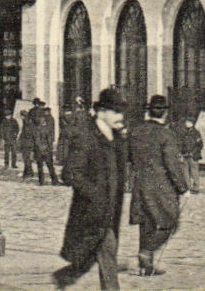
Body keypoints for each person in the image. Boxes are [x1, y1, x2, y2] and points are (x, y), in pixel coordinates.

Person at [53, 87, 130, 291]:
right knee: (106, 256)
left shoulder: (116, 139)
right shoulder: (87, 137)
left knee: (93, 257)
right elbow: (69, 173)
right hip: (91, 213)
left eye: (121, 111)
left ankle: (64, 277)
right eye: (115, 111)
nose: (119, 116)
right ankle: (66, 277)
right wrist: (94, 193)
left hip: (109, 212)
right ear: (101, 112)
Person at [128, 95, 189, 277]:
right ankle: (146, 252)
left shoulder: (136, 132)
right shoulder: (166, 134)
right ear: (165, 112)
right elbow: (172, 164)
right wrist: (183, 188)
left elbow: (128, 157)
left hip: (140, 184)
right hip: (161, 187)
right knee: (170, 222)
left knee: (146, 223)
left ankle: (146, 267)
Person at [27, 98, 60, 186]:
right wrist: (50, 148)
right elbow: (49, 140)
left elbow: (33, 141)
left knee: (40, 166)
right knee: (50, 166)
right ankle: (54, 180)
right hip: (46, 149)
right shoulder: (47, 129)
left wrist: (33, 150)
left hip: (38, 150)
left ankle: (41, 181)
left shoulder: (35, 130)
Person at [178, 118, 203, 193]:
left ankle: (196, 187)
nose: (186, 123)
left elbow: (200, 145)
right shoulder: (183, 132)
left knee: (194, 171)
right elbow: (180, 143)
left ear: (192, 123)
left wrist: (193, 153)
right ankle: (188, 187)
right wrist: (181, 152)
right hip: (185, 154)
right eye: (186, 122)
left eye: (188, 122)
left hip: (193, 155)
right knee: (185, 172)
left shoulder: (196, 133)